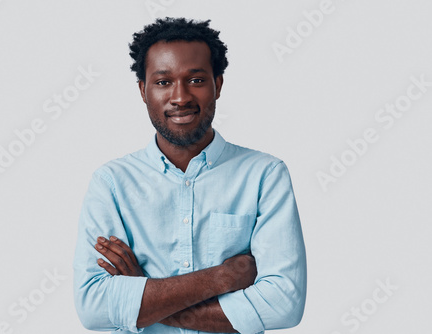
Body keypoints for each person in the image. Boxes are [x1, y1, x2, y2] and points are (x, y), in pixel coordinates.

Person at [73, 17, 307, 334]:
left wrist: (143, 295)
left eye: (195, 80)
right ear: (143, 90)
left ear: (218, 84)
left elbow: (283, 305)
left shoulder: (264, 175)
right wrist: (222, 278)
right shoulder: (112, 183)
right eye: (163, 82)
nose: (180, 97)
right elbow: (94, 308)